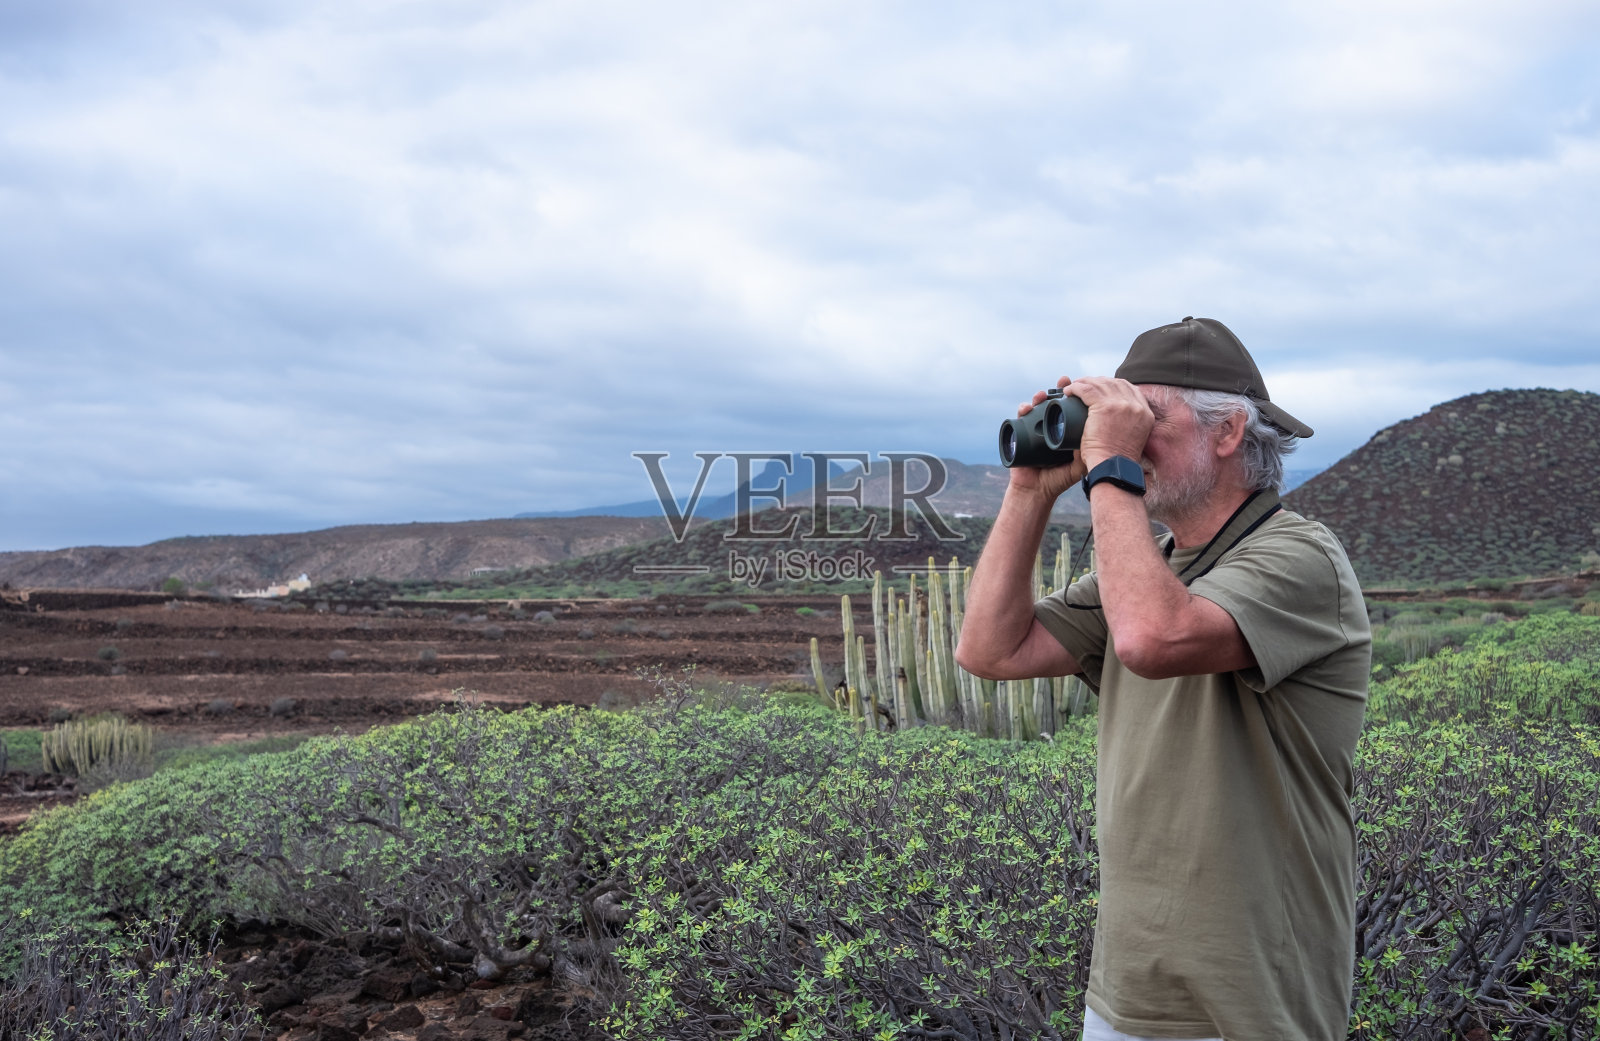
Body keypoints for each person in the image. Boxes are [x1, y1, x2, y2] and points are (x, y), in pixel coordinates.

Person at [955, 317, 1370, 1041]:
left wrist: (1109, 462)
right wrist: (1030, 490)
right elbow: (991, 649)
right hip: (1128, 986)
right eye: (1122, 418)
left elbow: (1153, 637)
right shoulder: (1148, 571)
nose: (1129, 436)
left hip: (1250, 995)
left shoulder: (1302, 557)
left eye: (1148, 417)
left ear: (1229, 431)